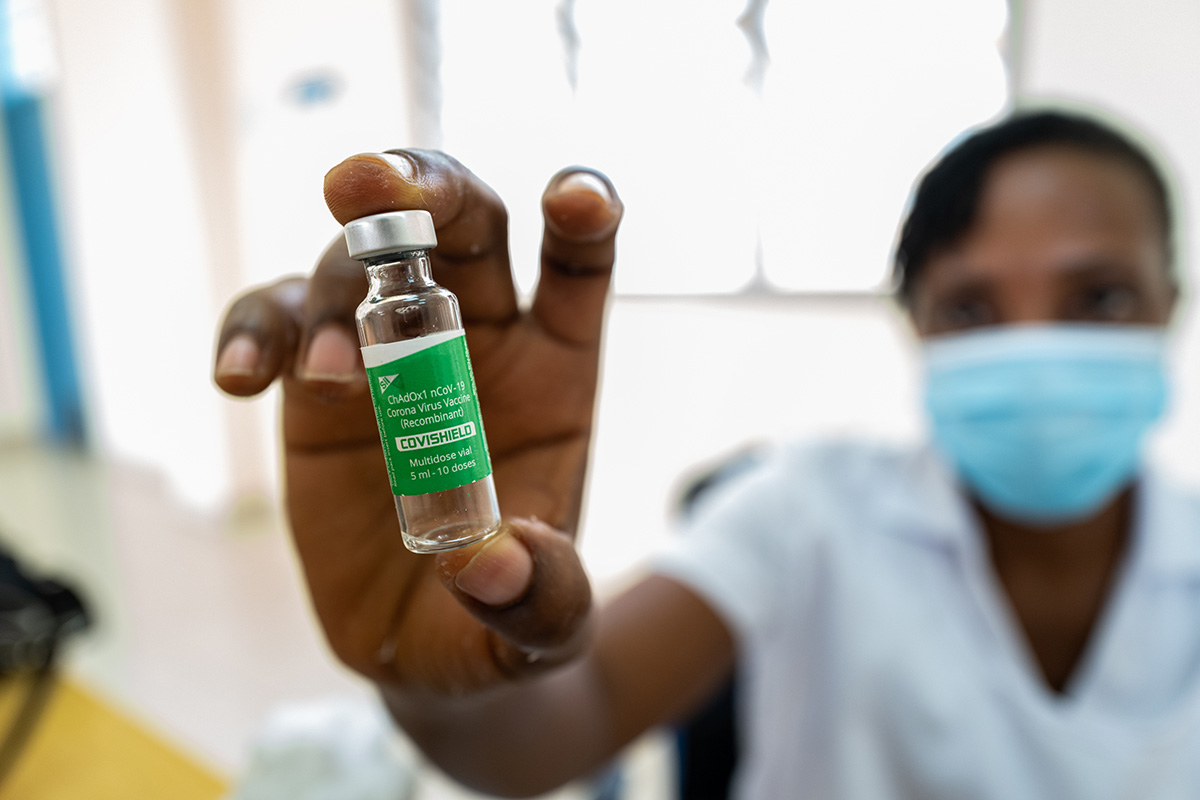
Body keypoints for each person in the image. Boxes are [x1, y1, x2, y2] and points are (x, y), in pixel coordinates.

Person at [213, 110, 1200, 799]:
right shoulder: (805, 509)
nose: (1029, 348)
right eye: (973, 308)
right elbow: (561, 726)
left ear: (1172, 300)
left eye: (1100, 296)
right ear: (916, 327)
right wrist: (428, 665)